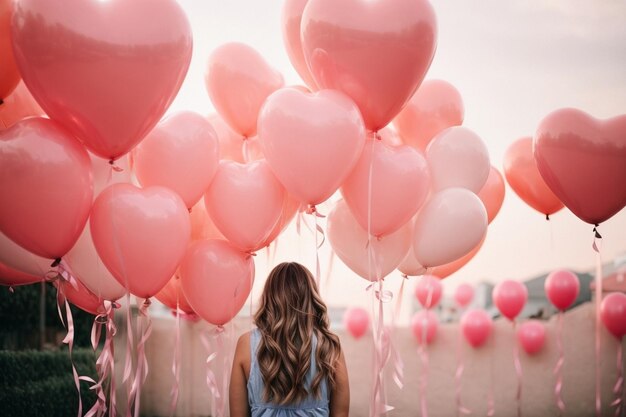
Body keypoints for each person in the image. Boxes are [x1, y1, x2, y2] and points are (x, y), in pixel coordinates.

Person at [229, 262, 350, 417]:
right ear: (311, 297)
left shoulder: (246, 344)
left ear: (269, 297)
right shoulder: (330, 345)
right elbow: (340, 414)